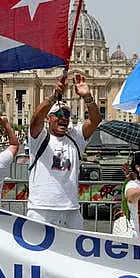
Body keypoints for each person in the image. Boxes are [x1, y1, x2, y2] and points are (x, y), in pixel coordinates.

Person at [26, 73, 101, 229]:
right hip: (41, 209)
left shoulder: (75, 137)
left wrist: (87, 96)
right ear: (49, 118)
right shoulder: (39, 138)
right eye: (59, 114)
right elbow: (35, 119)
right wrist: (53, 97)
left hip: (71, 210)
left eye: (67, 114)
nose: (64, 118)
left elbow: (95, 121)